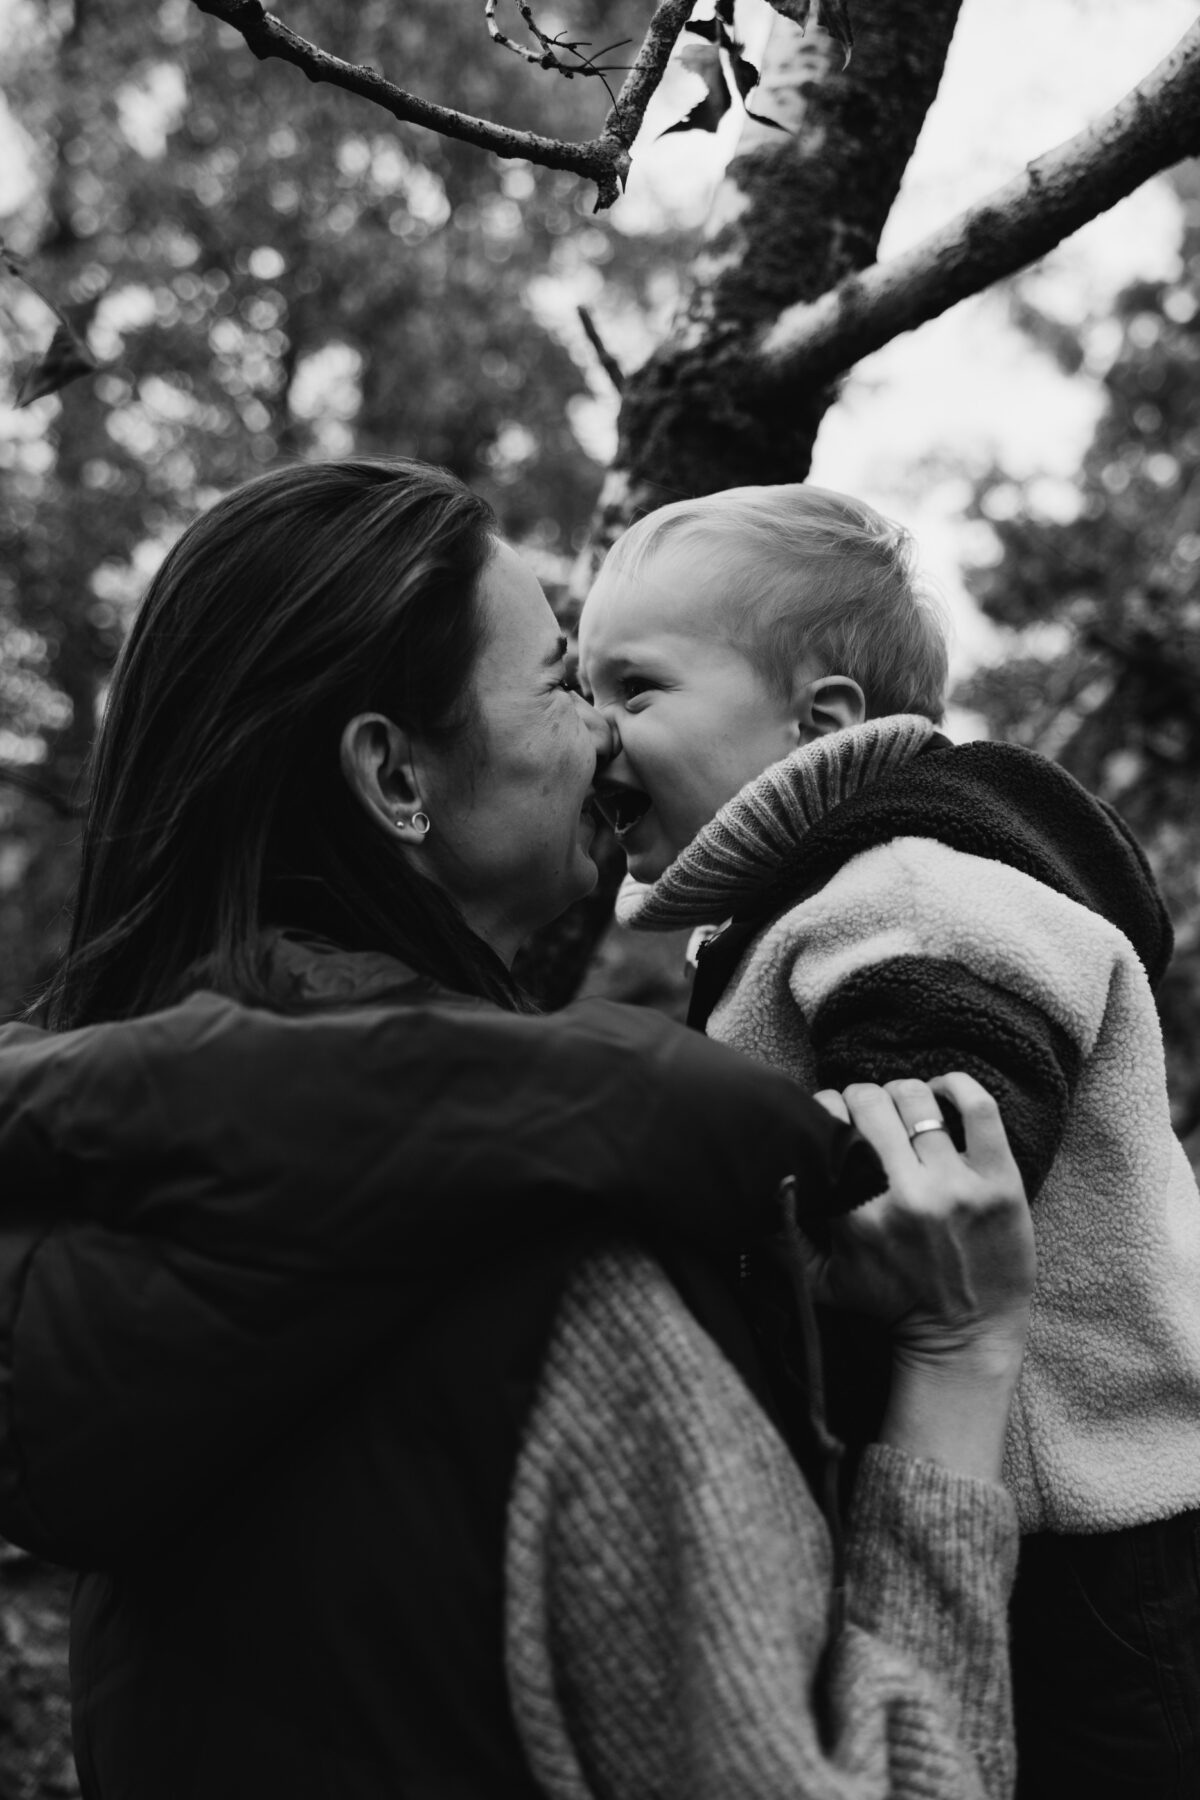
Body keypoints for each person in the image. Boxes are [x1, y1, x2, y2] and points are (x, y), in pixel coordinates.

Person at [0, 458, 1034, 1800]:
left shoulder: (129, 1202)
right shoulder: (549, 1242)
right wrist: (962, 1359)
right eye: (562, 683)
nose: (608, 739)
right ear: (395, 778)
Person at [578, 479, 1200, 1800]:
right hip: (1013, 1517)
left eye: (633, 689)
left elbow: (942, 1152)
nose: (593, 735)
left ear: (823, 721)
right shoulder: (829, 896)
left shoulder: (911, 884)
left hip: (1072, 1541)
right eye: (578, 691)